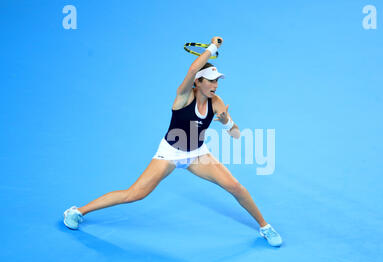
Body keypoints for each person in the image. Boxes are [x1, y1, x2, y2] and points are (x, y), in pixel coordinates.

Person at [63, 36, 282, 247]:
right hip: (169, 154)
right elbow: (192, 69)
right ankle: (77, 211)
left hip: (197, 154)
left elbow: (236, 135)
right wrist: (211, 48)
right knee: (135, 194)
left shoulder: (217, 102)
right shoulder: (184, 96)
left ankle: (265, 226)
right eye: (211, 80)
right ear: (198, 82)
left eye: (217, 81)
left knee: (235, 186)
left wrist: (226, 123)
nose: (216, 84)